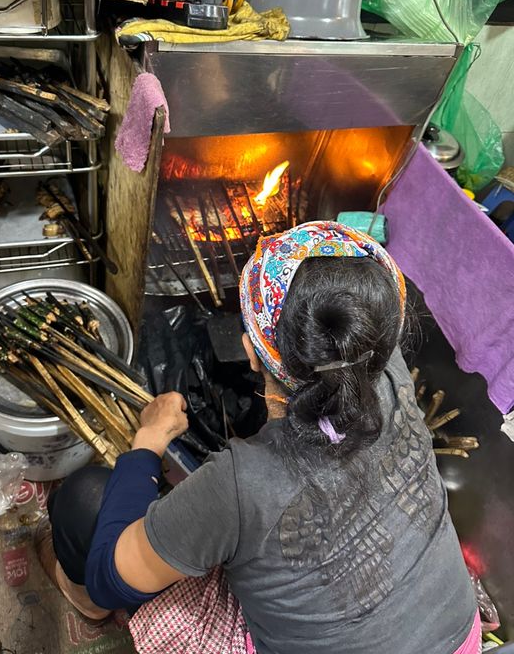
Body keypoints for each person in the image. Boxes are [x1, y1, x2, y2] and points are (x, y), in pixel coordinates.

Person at [38, 221, 480, 654]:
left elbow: (109, 576)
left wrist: (148, 443)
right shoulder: (386, 369)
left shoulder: (239, 484)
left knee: (85, 500)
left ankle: (85, 607)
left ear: (248, 349)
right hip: (460, 636)